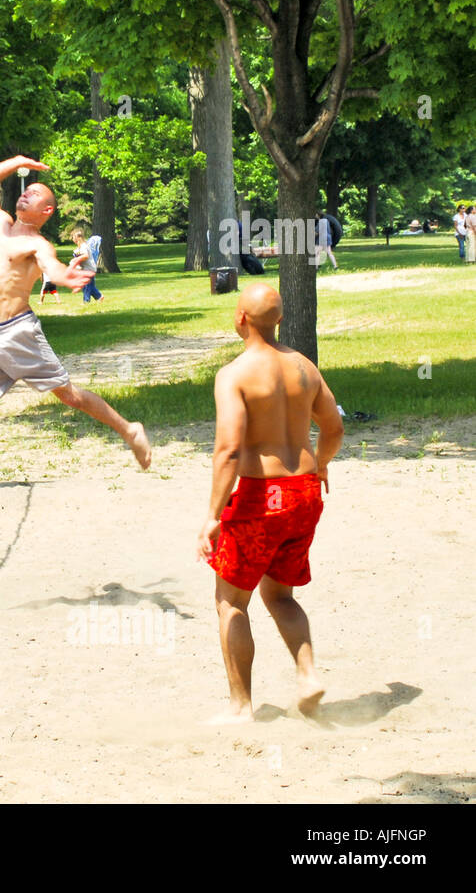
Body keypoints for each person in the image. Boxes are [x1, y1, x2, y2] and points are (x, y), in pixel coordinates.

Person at [0, 156, 152, 516]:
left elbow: (52, 268)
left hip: (19, 334)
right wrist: (15, 163)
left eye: (34, 194)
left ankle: (129, 430)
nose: (24, 196)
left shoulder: (38, 244)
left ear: (46, 209)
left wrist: (65, 277)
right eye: (24, 192)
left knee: (70, 396)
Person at [196, 283, 343, 724]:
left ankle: (241, 707)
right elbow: (333, 426)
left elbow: (228, 450)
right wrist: (320, 465)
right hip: (303, 493)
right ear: (278, 319)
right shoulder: (303, 368)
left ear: (241, 318)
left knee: (231, 602)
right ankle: (308, 674)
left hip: (262, 497)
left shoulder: (235, 374)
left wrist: (213, 516)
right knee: (279, 594)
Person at [69, 227, 103, 304]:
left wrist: (75, 260)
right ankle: (99, 297)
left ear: (78, 238)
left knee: (87, 286)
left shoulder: (84, 246)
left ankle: (86, 301)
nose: (72, 239)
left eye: (73, 237)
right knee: (89, 286)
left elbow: (85, 256)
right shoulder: (80, 247)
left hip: (89, 269)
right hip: (85, 269)